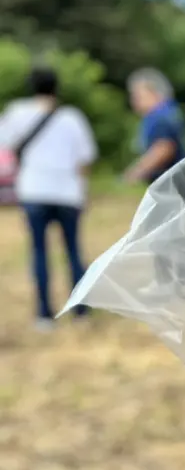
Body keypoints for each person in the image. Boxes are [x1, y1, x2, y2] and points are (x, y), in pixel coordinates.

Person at [0, 66, 97, 328]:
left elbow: (6, 146)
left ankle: (44, 314)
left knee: (39, 251)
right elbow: (85, 158)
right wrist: (82, 188)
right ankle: (80, 311)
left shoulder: (17, 113)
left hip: (34, 191)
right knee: (73, 251)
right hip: (67, 192)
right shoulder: (72, 117)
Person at [123, 68, 185, 185]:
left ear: (153, 93)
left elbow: (163, 148)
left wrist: (133, 175)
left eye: (138, 95)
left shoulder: (159, 116)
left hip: (167, 185)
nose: (133, 100)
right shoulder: (170, 111)